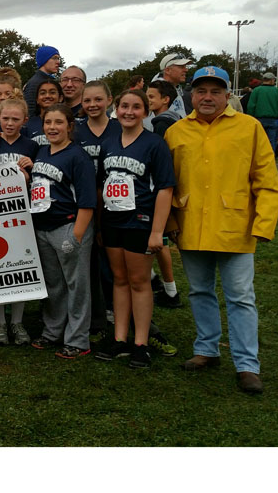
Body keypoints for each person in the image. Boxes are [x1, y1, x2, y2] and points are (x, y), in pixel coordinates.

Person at [165, 66, 278, 394]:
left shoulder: (249, 128)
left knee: (241, 298)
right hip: (191, 225)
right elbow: (166, 185)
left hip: (236, 227)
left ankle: (247, 365)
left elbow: (268, 182)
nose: (207, 97)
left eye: (215, 91)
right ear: (191, 94)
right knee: (199, 292)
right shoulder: (176, 132)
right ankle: (206, 349)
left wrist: (263, 224)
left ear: (227, 95)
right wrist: (172, 222)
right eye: (201, 91)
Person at [94, 88, 175, 369]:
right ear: (116, 108)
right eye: (124, 106)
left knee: (139, 282)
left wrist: (157, 231)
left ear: (145, 111)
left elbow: (165, 189)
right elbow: (103, 184)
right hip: (113, 221)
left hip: (140, 222)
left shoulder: (154, 144)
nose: (129, 112)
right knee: (118, 279)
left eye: (136, 107)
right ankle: (119, 339)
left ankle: (140, 343)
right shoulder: (109, 143)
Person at [25, 104, 96, 358]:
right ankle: (53, 331)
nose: (52, 127)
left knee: (76, 285)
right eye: (48, 123)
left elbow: (87, 201)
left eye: (58, 123)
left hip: (68, 226)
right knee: (53, 284)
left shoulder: (78, 156)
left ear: (69, 126)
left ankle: (78, 339)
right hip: (43, 227)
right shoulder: (42, 151)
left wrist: (76, 235)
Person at [0, 98, 38, 345]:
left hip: (22, 214)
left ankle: (17, 322)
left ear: (25, 120)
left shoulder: (32, 145)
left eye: (16, 119)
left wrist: (30, 171)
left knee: (20, 268)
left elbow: (40, 179)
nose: (10, 123)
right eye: (6, 118)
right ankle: (0, 323)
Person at [75, 81, 121, 340]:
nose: (92, 105)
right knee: (90, 262)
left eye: (97, 100)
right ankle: (96, 316)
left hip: (115, 205)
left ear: (109, 99)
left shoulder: (119, 127)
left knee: (113, 263)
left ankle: (117, 309)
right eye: (87, 100)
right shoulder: (76, 130)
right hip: (84, 203)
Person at [146, 80, 183, 309]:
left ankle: (170, 290)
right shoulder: (177, 120)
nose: (148, 100)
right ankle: (160, 283)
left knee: (161, 241)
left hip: (160, 188)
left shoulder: (161, 123)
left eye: (151, 97)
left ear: (165, 99)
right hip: (168, 185)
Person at [247, 72, 278, 154]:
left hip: (258, 119)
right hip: (273, 120)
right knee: (272, 142)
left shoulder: (256, 91)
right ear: (272, 80)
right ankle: (270, 161)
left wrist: (251, 117)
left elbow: (251, 106)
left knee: (258, 142)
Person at [23, 45, 60, 117]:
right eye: (54, 58)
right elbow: (29, 111)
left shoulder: (47, 80)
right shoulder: (35, 83)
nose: (58, 62)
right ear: (44, 60)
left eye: (58, 59)